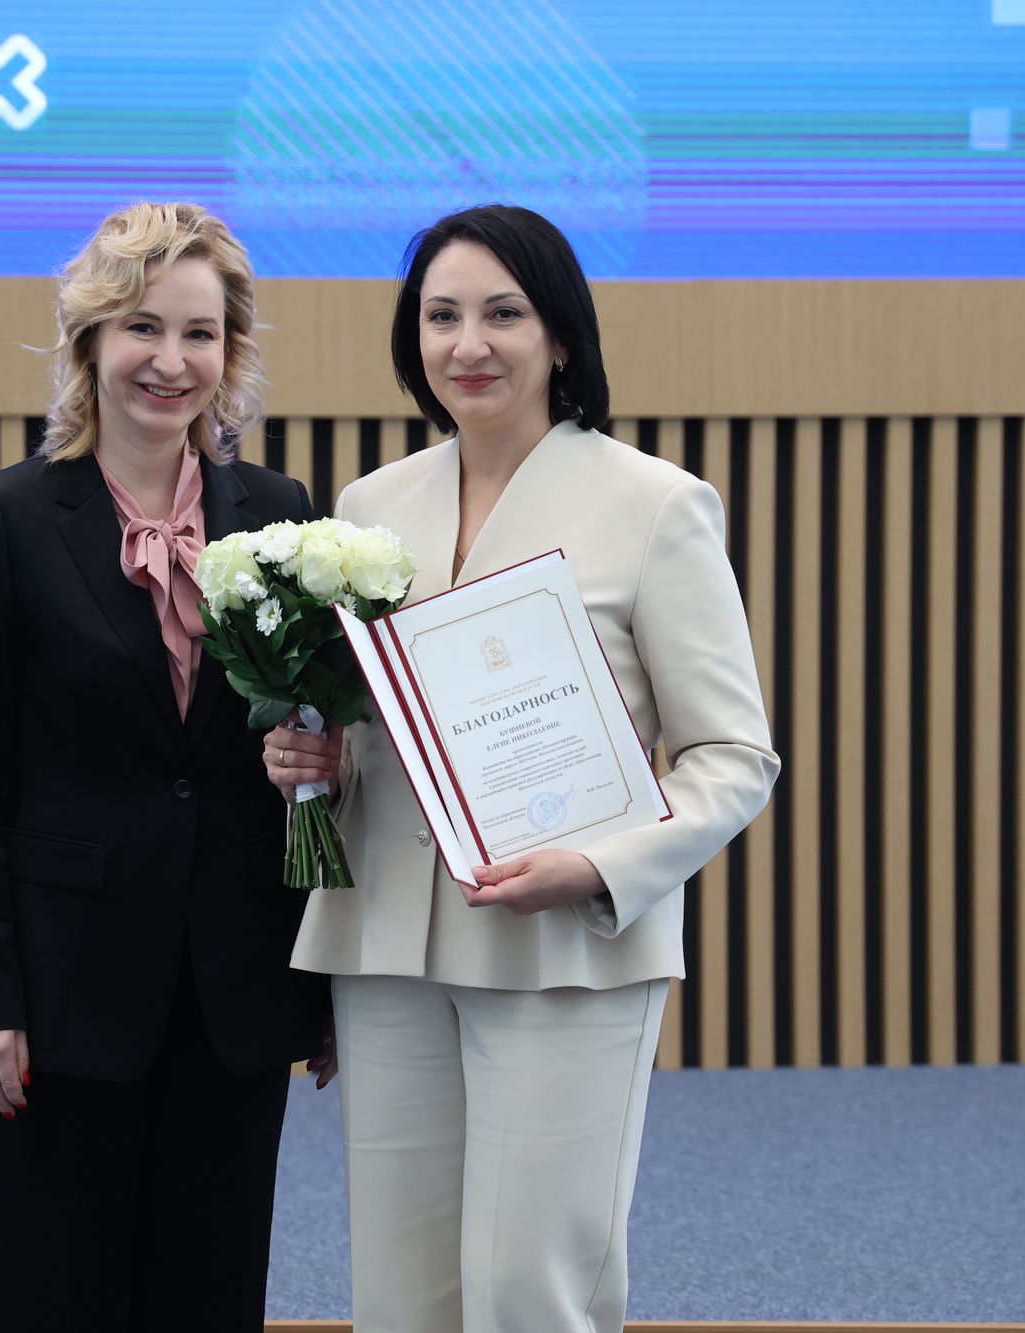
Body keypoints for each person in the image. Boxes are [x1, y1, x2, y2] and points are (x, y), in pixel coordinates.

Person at [266, 204, 780, 1333]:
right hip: (389, 948)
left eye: (503, 313)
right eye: (440, 316)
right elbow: (373, 737)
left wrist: (598, 869)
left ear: (559, 335)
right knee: (400, 1298)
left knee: (528, 1294)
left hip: (566, 949)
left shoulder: (656, 504)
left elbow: (734, 758)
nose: (469, 344)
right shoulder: (368, 508)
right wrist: (316, 763)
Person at [0, 201, 330, 1332]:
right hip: (62, 997)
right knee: (52, 1296)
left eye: (199, 333)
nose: (170, 361)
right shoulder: (4, 517)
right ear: (90, 341)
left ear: (229, 351)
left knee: (212, 1296)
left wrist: (320, 980)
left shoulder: (281, 518)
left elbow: (307, 758)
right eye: (142, 328)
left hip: (235, 992)